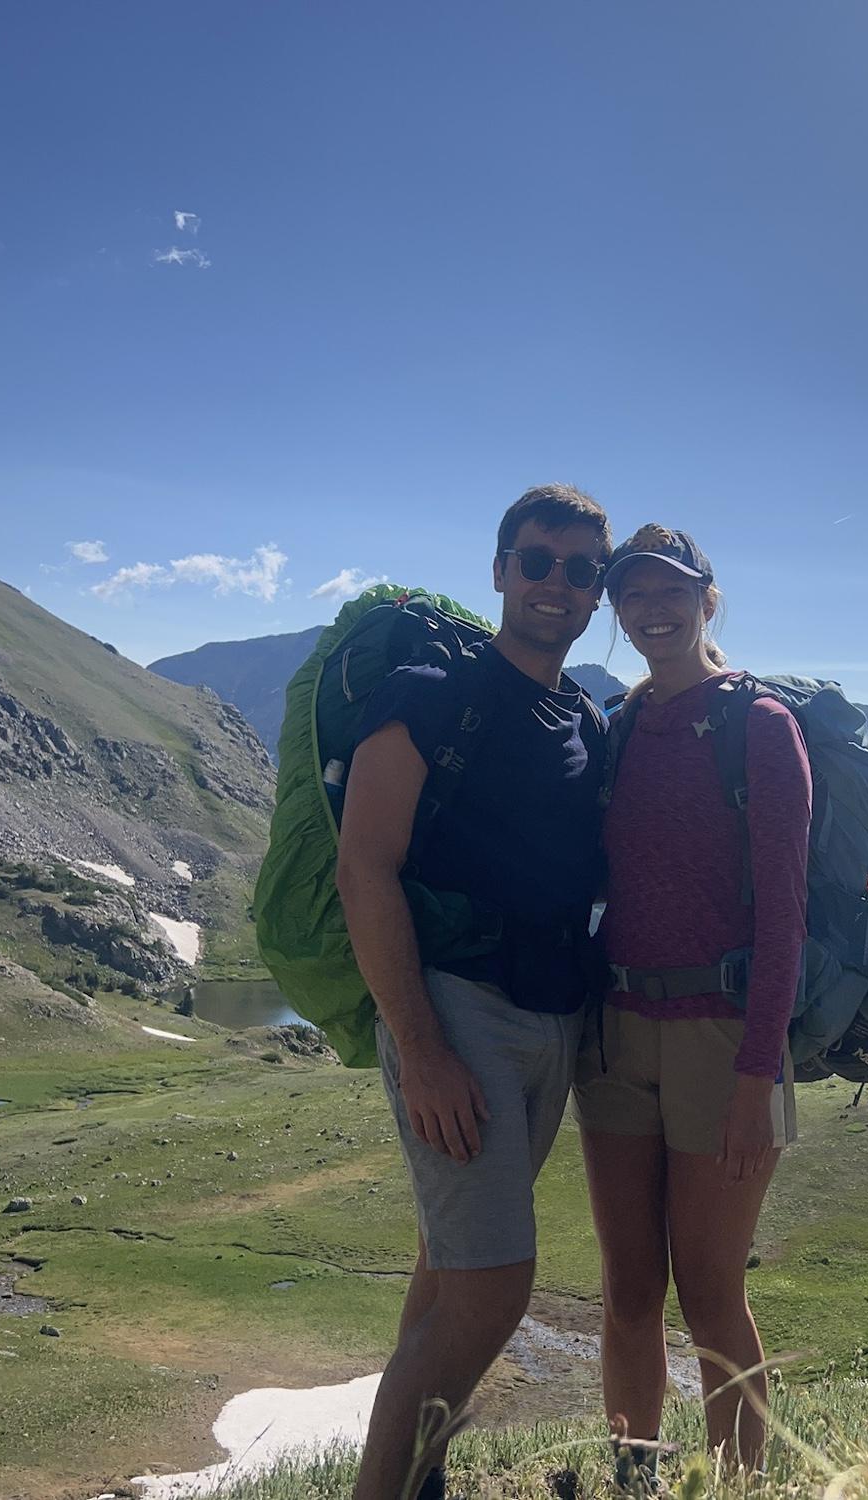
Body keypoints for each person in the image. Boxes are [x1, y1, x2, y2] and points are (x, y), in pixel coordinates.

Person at [336, 484, 612, 1500]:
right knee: (494, 1289)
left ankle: (423, 1482)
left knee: (452, 1273)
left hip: (555, 1017)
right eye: (537, 560)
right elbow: (364, 867)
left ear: (596, 595)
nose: (557, 583)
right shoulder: (430, 693)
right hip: (457, 1015)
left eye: (582, 569)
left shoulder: (583, 714)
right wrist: (424, 1049)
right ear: (499, 569)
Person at [574, 524, 811, 1479]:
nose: (649, 611)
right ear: (617, 609)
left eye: (670, 592)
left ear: (709, 600)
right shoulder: (624, 722)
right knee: (629, 1289)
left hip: (723, 1035)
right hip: (619, 1031)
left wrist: (759, 1076)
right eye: (631, 595)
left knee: (710, 1293)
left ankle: (736, 1486)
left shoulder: (760, 724)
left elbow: (786, 918)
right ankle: (637, 1477)